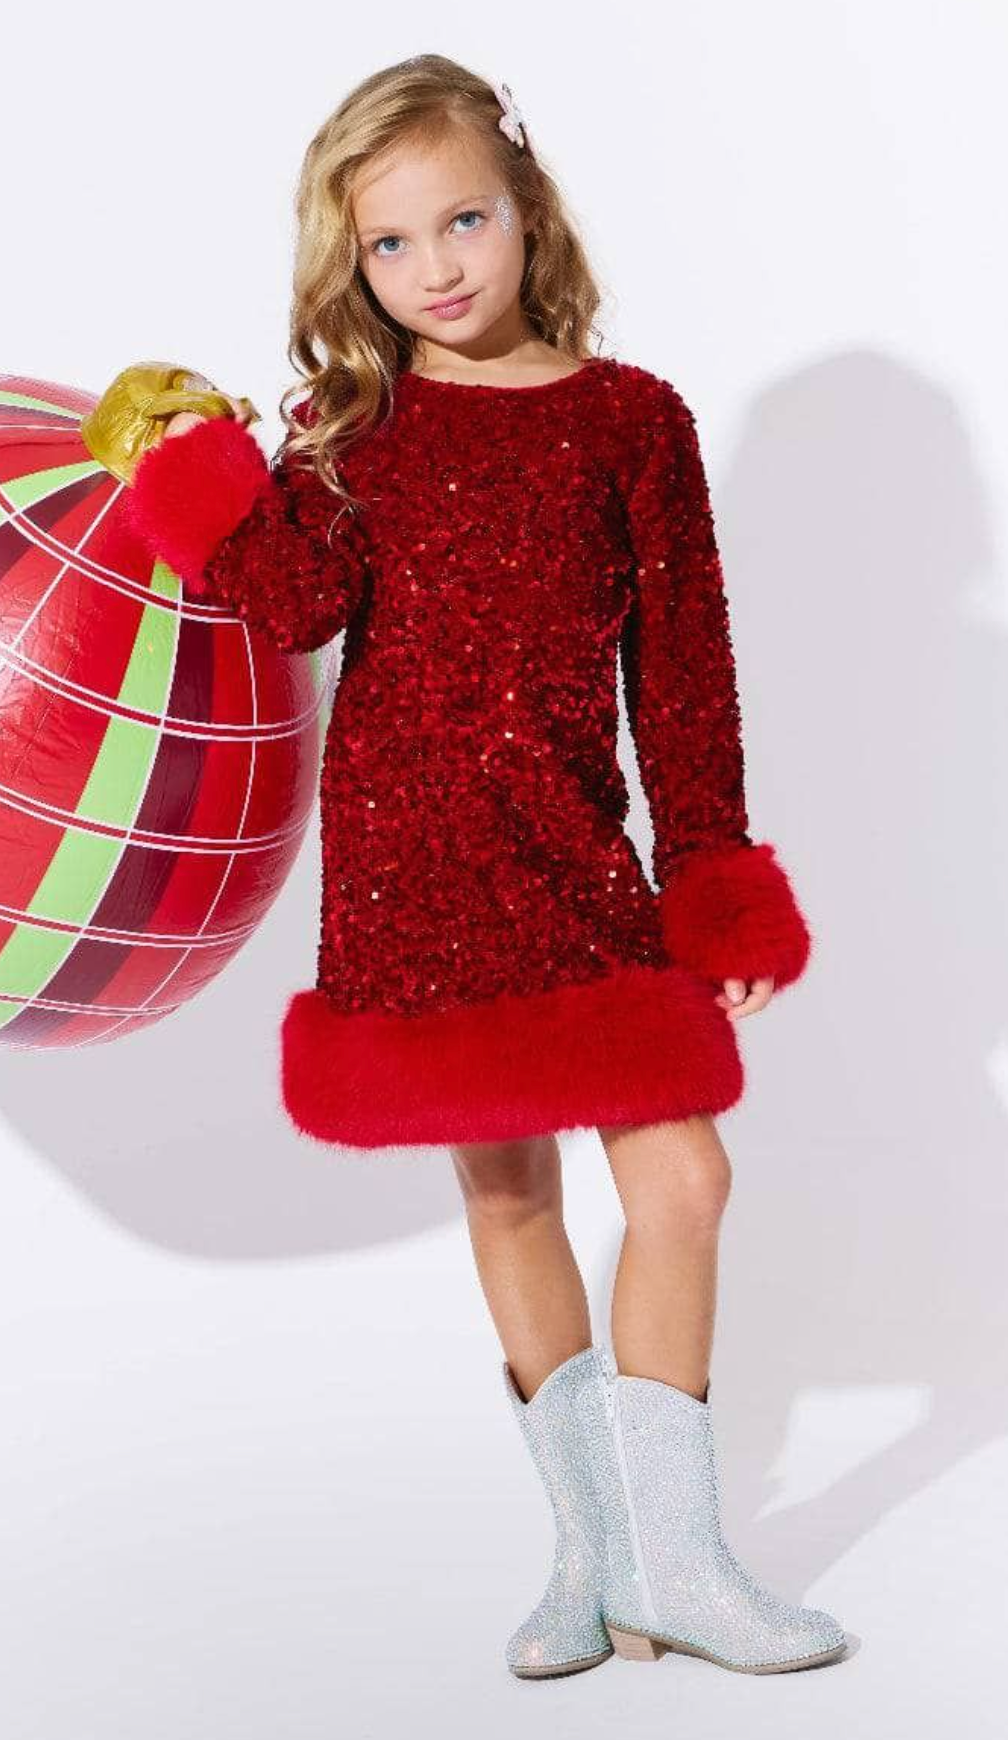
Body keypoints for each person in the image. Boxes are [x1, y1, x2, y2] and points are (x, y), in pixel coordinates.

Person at [118, 54, 848, 1678]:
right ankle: (594, 1560)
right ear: (351, 264)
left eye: (463, 220)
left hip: (575, 864)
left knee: (682, 1184)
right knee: (506, 1190)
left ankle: (679, 1565)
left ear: (525, 206)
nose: (437, 268)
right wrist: (196, 472)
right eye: (389, 244)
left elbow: (684, 675)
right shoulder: (354, 429)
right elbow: (293, 606)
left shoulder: (630, 422)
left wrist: (709, 875)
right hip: (414, 869)